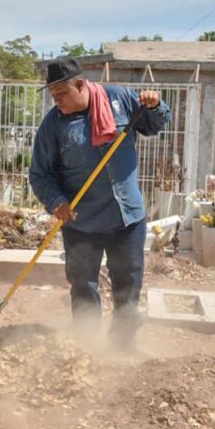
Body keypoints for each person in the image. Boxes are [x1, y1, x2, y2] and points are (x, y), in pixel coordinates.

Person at [29, 57, 172, 346]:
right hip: (82, 222)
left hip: (127, 218)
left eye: (61, 94)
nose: (57, 102)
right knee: (83, 287)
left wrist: (156, 105)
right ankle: (87, 345)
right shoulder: (52, 126)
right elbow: (40, 174)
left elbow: (155, 124)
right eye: (52, 96)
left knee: (128, 286)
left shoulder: (119, 99)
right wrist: (57, 202)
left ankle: (122, 346)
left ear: (80, 84)